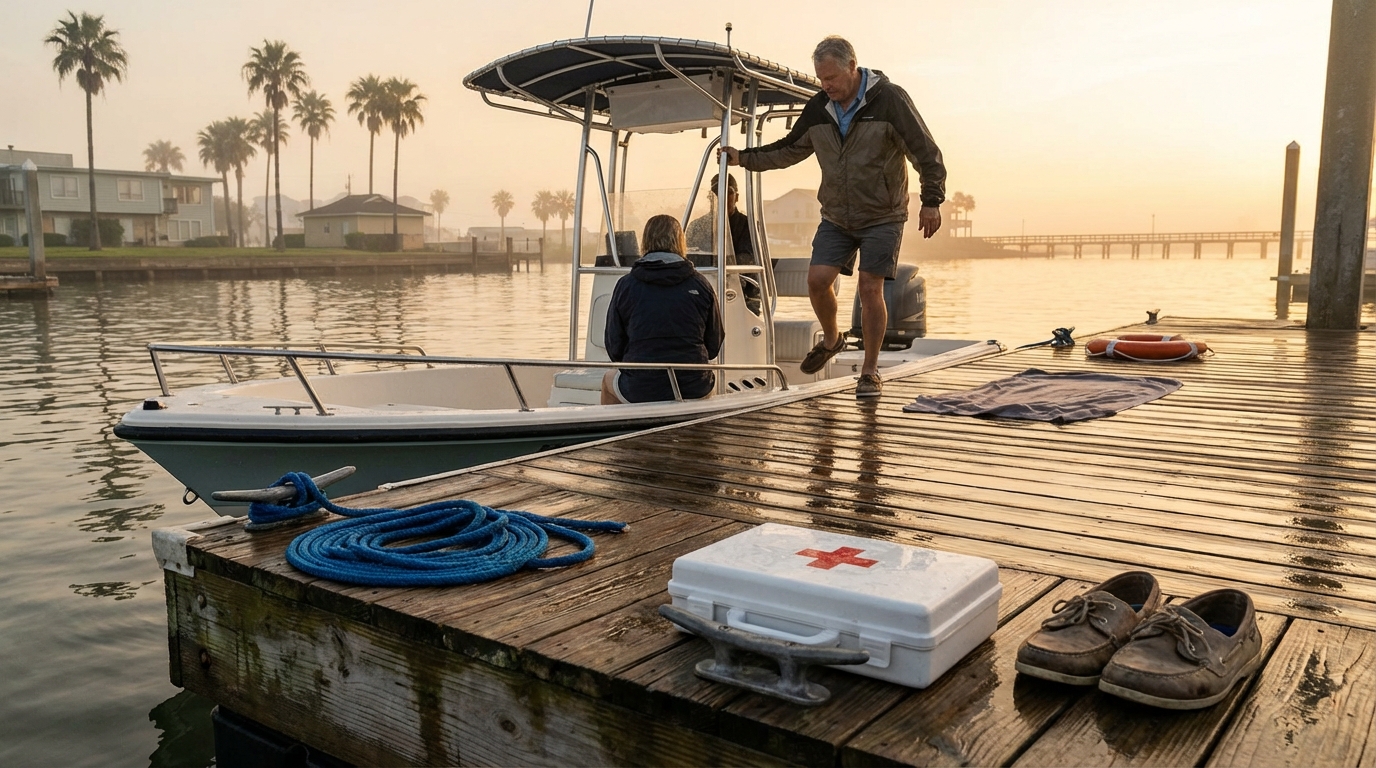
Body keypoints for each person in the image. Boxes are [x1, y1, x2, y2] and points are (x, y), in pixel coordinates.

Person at [722, 35, 946, 399]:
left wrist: (932, 200)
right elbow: (788, 149)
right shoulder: (819, 107)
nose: (827, 86)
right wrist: (742, 158)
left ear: (852, 68)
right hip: (838, 216)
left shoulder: (890, 100)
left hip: (883, 214)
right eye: (822, 79)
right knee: (816, 280)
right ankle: (832, 338)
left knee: (870, 287)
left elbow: (925, 151)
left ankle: (870, 372)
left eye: (832, 79)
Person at [601, 214, 725, 405]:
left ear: (645, 242)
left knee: (607, 380)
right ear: (680, 242)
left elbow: (614, 349)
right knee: (706, 376)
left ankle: (617, 432)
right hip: (694, 386)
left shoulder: (625, 285)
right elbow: (714, 346)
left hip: (640, 388)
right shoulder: (701, 284)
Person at [686, 172, 760, 312]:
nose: (722, 196)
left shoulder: (749, 225)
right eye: (716, 192)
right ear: (710, 198)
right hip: (701, 291)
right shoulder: (696, 226)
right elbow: (688, 258)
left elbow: (746, 259)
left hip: (744, 295)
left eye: (728, 191)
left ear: (736, 197)